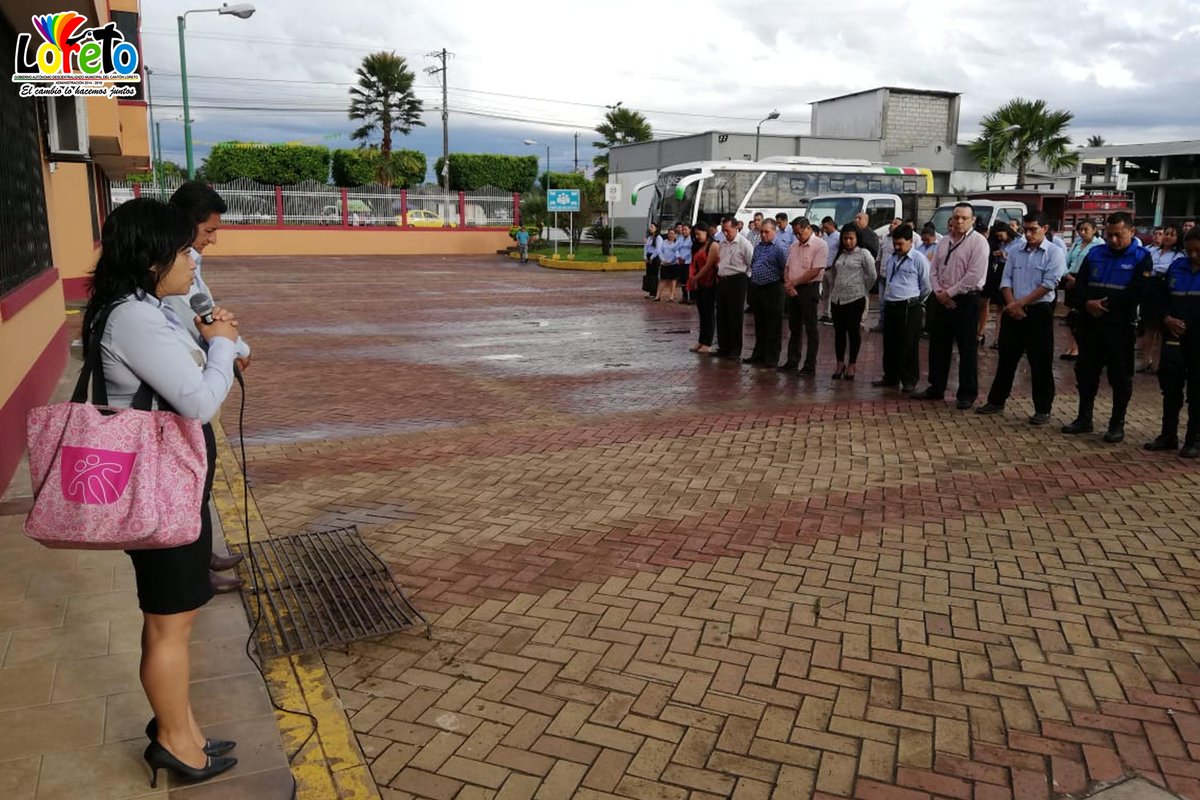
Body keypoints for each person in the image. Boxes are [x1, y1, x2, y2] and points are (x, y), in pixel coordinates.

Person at [82, 198, 240, 786]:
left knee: (173, 616)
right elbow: (198, 400)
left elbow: (182, 371)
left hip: (170, 485)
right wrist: (221, 345)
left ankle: (184, 728)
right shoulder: (135, 317)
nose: (192, 264)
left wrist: (212, 342)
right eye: (184, 252)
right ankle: (174, 741)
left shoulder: (135, 308)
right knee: (169, 622)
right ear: (154, 259)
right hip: (160, 490)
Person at [167, 181, 249, 596]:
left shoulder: (184, 267)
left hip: (191, 391)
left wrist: (233, 344)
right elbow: (196, 330)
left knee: (202, 483)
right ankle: (195, 570)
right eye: (207, 232)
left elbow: (207, 316)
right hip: (180, 406)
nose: (209, 245)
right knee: (191, 488)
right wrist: (226, 348)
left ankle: (202, 558)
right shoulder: (162, 285)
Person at [1063, 211, 1154, 442]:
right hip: (1091, 323)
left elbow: (1137, 291)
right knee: (1086, 372)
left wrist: (1106, 304)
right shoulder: (1095, 253)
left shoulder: (1141, 257)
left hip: (1119, 325)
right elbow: (1079, 284)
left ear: (1131, 232)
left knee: (1120, 377)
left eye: (1118, 235)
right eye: (1109, 235)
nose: (1113, 240)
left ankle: (1116, 424)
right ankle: (1084, 418)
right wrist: (1086, 303)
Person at [974, 212, 1068, 425]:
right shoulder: (1016, 251)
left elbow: (1049, 283)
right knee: (1006, 358)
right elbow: (1005, 279)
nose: (1028, 233)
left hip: (1038, 311)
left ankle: (1043, 408)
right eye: (1025, 229)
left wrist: (1021, 303)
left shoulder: (1054, 253)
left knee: (1040, 362)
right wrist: (1012, 304)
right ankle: (996, 400)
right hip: (1013, 310)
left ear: (1045, 228)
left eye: (1033, 229)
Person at [915, 202, 989, 409]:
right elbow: (934, 268)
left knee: (966, 348)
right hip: (940, 299)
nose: (959, 221)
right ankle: (936, 387)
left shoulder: (978, 242)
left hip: (965, 300)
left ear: (972, 220)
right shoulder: (944, 241)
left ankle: (966, 393)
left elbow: (974, 276)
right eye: (956, 217)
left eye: (964, 218)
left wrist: (950, 292)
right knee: (938, 345)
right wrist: (939, 291)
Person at [1144, 229, 1200, 457]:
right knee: (1170, 388)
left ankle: (1194, 439)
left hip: (1198, 341)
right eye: (1190, 251)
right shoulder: (1177, 267)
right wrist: (1167, 318)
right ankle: (1168, 435)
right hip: (1174, 338)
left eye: (1198, 251)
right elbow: (1162, 299)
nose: (1193, 255)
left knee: (1196, 391)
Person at [873, 224, 931, 392]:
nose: (897, 247)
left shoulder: (919, 259)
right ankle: (890, 376)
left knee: (908, 344)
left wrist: (916, 301)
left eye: (901, 244)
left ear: (911, 241)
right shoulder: (892, 258)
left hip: (908, 305)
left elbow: (927, 285)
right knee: (890, 343)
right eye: (895, 244)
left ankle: (909, 379)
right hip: (891, 305)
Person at [827, 224, 877, 380]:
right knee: (839, 333)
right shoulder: (840, 254)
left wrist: (862, 289)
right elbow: (835, 274)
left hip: (855, 298)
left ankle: (852, 364)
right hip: (837, 299)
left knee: (853, 332)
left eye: (851, 238)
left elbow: (872, 276)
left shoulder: (864, 254)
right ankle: (839, 363)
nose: (848, 241)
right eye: (845, 238)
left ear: (857, 238)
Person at [780, 217, 828, 374]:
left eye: (799, 233)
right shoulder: (794, 245)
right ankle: (792, 361)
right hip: (793, 289)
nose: (798, 237)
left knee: (811, 328)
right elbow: (787, 267)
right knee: (794, 327)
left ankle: (809, 365)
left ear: (808, 228)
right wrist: (789, 284)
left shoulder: (820, 245)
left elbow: (815, 270)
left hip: (809, 289)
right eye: (795, 234)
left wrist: (794, 283)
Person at [1139, 223, 1183, 373]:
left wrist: (1155, 271)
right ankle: (1145, 360)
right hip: (1149, 290)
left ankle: (1158, 363)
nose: (1168, 237)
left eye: (1172, 234)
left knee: (1161, 328)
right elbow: (1146, 268)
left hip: (1165, 290)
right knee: (1148, 326)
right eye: (1167, 233)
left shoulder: (1179, 255)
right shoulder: (1152, 251)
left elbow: (1168, 270)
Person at [745, 219, 789, 367]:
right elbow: (754, 263)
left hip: (773, 288)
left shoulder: (779, 248)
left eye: (766, 232)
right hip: (758, 288)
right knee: (760, 323)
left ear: (773, 232)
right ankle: (759, 354)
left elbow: (785, 268)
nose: (763, 235)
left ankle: (772, 357)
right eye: (761, 232)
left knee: (773, 324)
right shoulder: (758, 247)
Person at [714, 216, 754, 360]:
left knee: (735, 316)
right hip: (723, 279)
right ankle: (723, 346)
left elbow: (751, 263)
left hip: (737, 279)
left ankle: (735, 349)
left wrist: (745, 278)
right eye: (723, 230)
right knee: (722, 314)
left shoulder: (744, 244)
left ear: (736, 227)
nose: (726, 233)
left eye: (728, 230)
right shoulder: (722, 243)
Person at [1061, 220, 1101, 361]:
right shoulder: (1077, 244)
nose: (1082, 233)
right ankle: (1071, 346)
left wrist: (1078, 281)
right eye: (1080, 230)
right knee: (1071, 315)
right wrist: (1068, 276)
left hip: (1085, 281)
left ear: (1094, 230)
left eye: (1086, 229)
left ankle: (1080, 347)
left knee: (1081, 314)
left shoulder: (1099, 245)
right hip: (1071, 277)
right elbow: (1065, 261)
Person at [980, 223, 1015, 350]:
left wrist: (1004, 254)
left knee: (1011, 307)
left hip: (1013, 273)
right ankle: (998, 338)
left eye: (1001, 235)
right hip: (1000, 272)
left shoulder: (1018, 242)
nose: (1000, 238)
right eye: (997, 236)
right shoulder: (998, 243)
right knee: (1000, 308)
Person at [687, 223, 720, 354]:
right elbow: (693, 263)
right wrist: (692, 278)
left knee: (709, 313)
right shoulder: (697, 246)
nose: (697, 236)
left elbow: (709, 265)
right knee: (702, 313)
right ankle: (701, 340)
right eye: (695, 234)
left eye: (699, 233)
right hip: (699, 283)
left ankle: (708, 342)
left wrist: (696, 277)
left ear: (706, 232)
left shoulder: (714, 245)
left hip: (710, 282)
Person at [818, 216, 839, 325]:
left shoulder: (838, 237)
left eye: (826, 227)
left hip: (832, 269)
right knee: (825, 293)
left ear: (831, 225)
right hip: (824, 268)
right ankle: (825, 314)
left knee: (832, 293)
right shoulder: (825, 237)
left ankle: (832, 314)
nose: (824, 229)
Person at [654, 228, 681, 302]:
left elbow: (677, 253)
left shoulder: (677, 243)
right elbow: (660, 251)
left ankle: (671, 297)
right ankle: (658, 296)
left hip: (673, 264)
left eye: (672, 233)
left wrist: (670, 261)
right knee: (662, 279)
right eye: (669, 233)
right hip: (664, 263)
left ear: (675, 235)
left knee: (673, 280)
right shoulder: (664, 242)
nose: (671, 235)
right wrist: (663, 260)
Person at [643, 223, 663, 299]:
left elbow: (658, 249)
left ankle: (655, 292)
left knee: (654, 275)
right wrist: (645, 257)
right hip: (649, 256)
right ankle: (650, 291)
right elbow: (646, 247)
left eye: (652, 227)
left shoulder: (658, 238)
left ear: (656, 228)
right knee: (649, 274)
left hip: (655, 257)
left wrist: (651, 257)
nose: (650, 228)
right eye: (650, 227)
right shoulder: (649, 238)